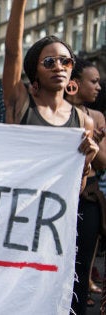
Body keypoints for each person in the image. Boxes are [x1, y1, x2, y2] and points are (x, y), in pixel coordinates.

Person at [3, 1, 99, 313]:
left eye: (65, 61)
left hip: (56, 226)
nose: (59, 66)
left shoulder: (83, 121)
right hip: (16, 220)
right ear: (34, 70)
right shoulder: (21, 103)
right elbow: (12, 54)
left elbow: (77, 186)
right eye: (49, 62)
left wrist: (88, 158)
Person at [63, 57, 105, 309]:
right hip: (57, 199)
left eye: (99, 82)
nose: (98, 87)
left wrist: (93, 144)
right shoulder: (53, 111)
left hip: (86, 198)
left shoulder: (97, 116)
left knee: (82, 261)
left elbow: (102, 163)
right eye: (94, 81)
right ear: (75, 83)